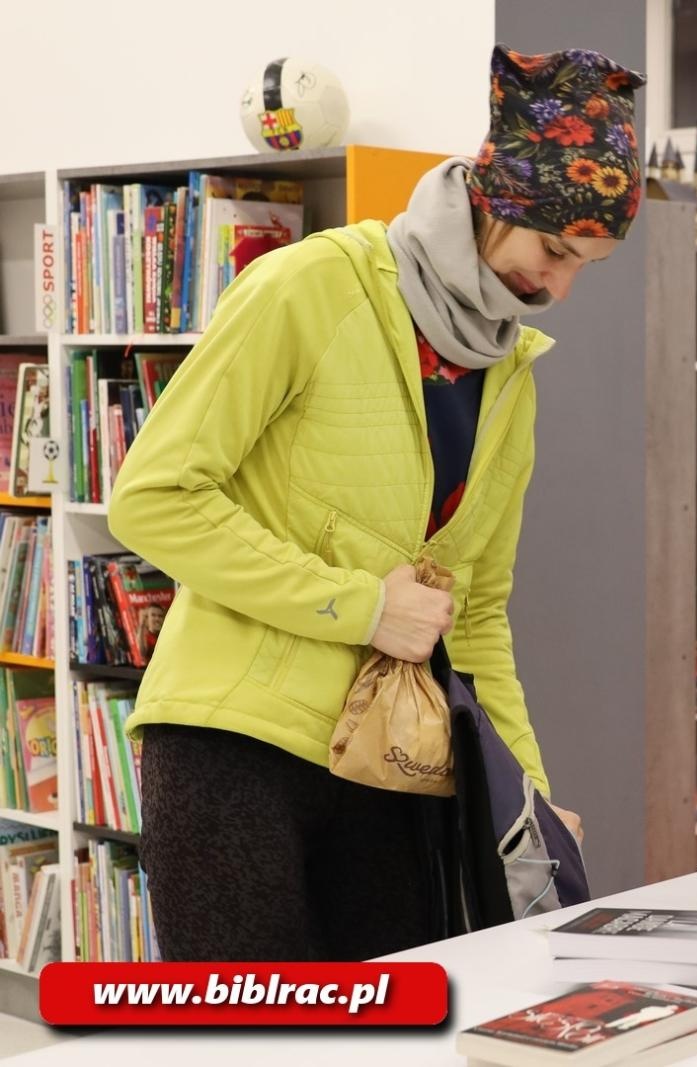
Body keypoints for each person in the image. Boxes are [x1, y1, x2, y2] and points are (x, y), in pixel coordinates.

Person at [106, 44, 645, 961]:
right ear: (495, 195)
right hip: (233, 748)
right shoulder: (309, 286)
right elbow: (152, 499)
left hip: (394, 761)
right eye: (555, 248)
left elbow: (473, 616)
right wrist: (362, 605)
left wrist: (532, 799)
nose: (558, 287)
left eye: (585, 264)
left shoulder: (512, 374)